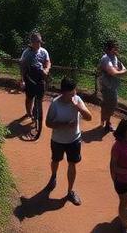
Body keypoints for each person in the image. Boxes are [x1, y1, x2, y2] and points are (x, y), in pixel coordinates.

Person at [46, 77, 92, 206]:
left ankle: (70, 191)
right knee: (56, 160)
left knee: (72, 164)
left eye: (74, 92)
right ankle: (53, 176)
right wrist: (64, 125)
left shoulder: (77, 100)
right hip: (58, 140)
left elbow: (89, 117)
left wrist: (79, 108)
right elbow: (48, 123)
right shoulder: (55, 103)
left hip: (74, 139)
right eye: (70, 93)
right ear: (63, 92)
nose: (73, 95)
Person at [19, 31, 51, 121]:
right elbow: (22, 66)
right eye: (37, 42)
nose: (39, 44)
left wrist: (46, 70)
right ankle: (28, 112)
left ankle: (36, 111)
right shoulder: (26, 53)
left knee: (40, 97)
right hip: (29, 78)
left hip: (41, 78)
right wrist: (22, 80)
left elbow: (48, 62)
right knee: (29, 97)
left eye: (40, 42)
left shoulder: (44, 52)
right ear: (32, 43)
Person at [98, 39, 127, 133]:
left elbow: (121, 70)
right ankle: (107, 123)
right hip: (107, 87)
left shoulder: (114, 58)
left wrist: (120, 71)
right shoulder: (106, 59)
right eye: (115, 48)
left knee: (107, 105)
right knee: (112, 105)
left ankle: (104, 121)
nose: (117, 49)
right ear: (109, 49)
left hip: (112, 86)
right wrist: (122, 71)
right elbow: (115, 73)